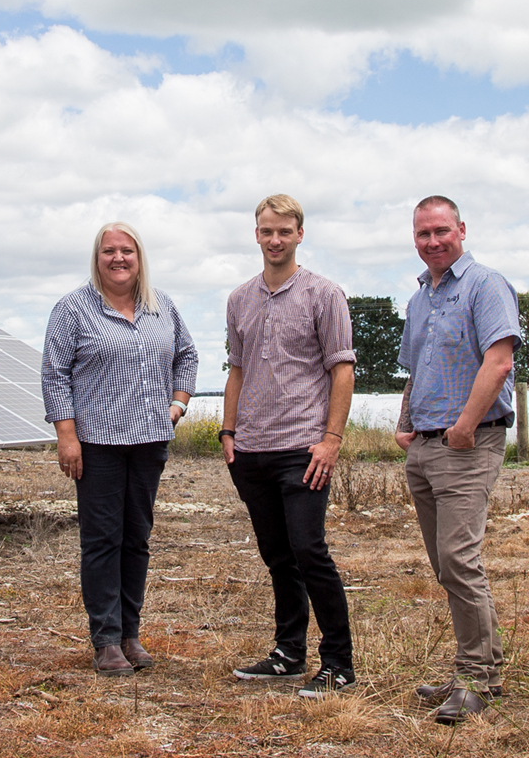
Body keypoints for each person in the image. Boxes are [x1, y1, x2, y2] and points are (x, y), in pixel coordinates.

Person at [42, 222, 198, 676]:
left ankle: (131, 634)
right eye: (109, 250)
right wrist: (66, 436)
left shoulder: (160, 305)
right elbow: (55, 375)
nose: (118, 258)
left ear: (139, 256)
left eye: (126, 250)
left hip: (150, 441)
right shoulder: (74, 308)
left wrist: (178, 403)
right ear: (97, 257)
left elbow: (186, 354)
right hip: (97, 445)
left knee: (137, 538)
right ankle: (105, 639)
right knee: (102, 539)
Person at [221, 194, 357, 697]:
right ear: (255, 235)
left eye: (284, 231)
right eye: (266, 231)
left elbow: (342, 371)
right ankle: (288, 653)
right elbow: (236, 370)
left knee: (309, 550)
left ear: (300, 234)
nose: (275, 240)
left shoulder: (325, 294)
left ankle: (339, 662)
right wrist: (228, 433)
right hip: (252, 449)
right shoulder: (240, 299)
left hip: (304, 446)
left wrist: (331, 441)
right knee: (277, 555)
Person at [396, 195, 520, 723]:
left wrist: (464, 428)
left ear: (461, 229)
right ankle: (481, 670)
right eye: (423, 234)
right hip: (425, 446)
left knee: (459, 560)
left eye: (441, 231)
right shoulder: (420, 298)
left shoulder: (486, 285)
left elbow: (499, 360)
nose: (432, 241)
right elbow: (416, 368)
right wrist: (405, 424)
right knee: (447, 565)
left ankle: (474, 679)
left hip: (468, 443)